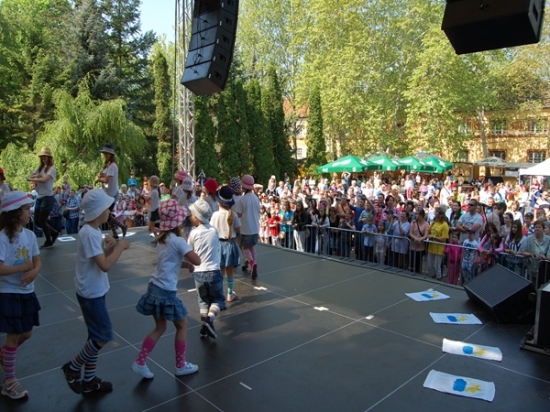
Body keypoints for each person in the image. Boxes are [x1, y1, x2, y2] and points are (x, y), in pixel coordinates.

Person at [61, 189, 130, 394]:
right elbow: (105, 266)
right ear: (99, 211)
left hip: (93, 289)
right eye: (107, 209)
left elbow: (99, 259)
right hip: (91, 292)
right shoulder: (90, 234)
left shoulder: (91, 231)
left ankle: (89, 379)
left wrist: (109, 248)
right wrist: (120, 247)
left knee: (94, 337)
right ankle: (73, 368)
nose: (110, 212)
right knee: (103, 335)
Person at [131, 199, 200, 379]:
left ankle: (140, 362)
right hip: (166, 292)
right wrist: (191, 252)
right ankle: (180, 365)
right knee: (182, 325)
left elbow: (169, 261)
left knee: (160, 327)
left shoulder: (162, 239)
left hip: (154, 287)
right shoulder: (178, 241)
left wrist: (185, 264)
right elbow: (197, 260)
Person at [0, 191, 41, 399]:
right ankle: (9, 382)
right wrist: (22, 268)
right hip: (9, 293)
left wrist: (34, 271)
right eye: (26, 209)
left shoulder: (30, 235)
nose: (30, 212)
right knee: (14, 335)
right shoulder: (2, 238)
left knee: (26, 333)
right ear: (15, 213)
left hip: (26, 292)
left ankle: (4, 354)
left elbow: (37, 261)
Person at [188, 199, 224, 339]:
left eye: (192, 215)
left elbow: (189, 251)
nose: (190, 217)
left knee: (203, 301)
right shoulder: (214, 231)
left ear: (197, 217)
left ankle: (204, 328)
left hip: (198, 272)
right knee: (218, 300)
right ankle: (209, 321)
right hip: (214, 271)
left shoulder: (193, 233)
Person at [210, 186, 241, 302]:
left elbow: (212, 231)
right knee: (230, 271)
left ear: (219, 202)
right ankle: (229, 294)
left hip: (218, 245)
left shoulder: (215, 215)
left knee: (221, 271)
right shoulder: (233, 214)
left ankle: (220, 293)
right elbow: (238, 229)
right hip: (230, 244)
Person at [27, 147, 58, 249]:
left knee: (42, 220)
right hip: (40, 197)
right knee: (37, 220)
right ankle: (54, 233)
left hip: (47, 197)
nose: (43, 158)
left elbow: (45, 180)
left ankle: (48, 240)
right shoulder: (39, 169)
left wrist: (36, 177)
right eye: (42, 156)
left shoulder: (52, 169)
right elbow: (28, 177)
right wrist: (36, 177)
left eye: (45, 156)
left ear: (49, 157)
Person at [94, 144, 127, 240]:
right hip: (108, 193)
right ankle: (115, 233)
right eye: (104, 153)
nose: (104, 155)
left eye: (106, 153)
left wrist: (99, 180)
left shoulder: (112, 166)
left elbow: (106, 180)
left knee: (106, 215)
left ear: (110, 154)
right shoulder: (109, 166)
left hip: (111, 194)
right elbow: (105, 175)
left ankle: (122, 226)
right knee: (107, 215)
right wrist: (101, 174)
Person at [233, 175, 261, 279]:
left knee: (244, 247)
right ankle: (254, 267)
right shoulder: (256, 198)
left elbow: (239, 214)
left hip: (246, 229)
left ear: (244, 187)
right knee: (252, 247)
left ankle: (251, 263)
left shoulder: (243, 199)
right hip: (255, 228)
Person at [427, 207, 450, 280]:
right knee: (430, 265)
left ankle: (438, 279)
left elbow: (444, 239)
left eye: (436, 212)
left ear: (440, 214)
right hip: (431, 247)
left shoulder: (444, 225)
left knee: (437, 266)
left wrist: (434, 237)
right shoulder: (434, 223)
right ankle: (431, 276)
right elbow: (428, 231)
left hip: (439, 248)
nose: (434, 213)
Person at [409, 208, 430, 274]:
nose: (416, 215)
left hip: (421, 247)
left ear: (422, 215)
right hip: (413, 246)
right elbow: (410, 233)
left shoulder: (426, 224)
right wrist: (415, 238)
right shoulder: (413, 223)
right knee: (412, 263)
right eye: (416, 214)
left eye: (417, 214)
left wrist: (421, 239)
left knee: (418, 263)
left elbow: (426, 235)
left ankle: (418, 274)